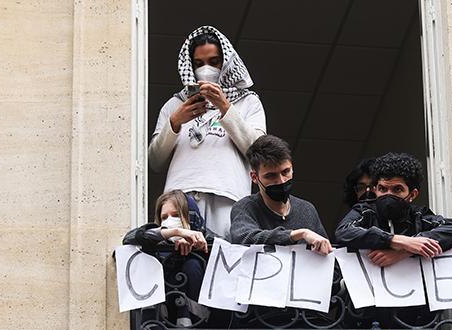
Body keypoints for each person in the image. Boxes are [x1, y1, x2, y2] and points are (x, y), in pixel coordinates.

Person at [148, 26, 266, 238]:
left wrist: (225, 107)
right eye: (199, 64)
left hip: (228, 195)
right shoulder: (175, 104)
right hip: (180, 200)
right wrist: (175, 121)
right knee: (183, 262)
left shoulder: (248, 102)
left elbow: (260, 153)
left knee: (222, 262)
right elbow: (155, 160)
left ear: (226, 62)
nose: (206, 69)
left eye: (214, 62)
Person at [335, 152, 452, 267]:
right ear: (375, 189)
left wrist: (405, 252)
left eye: (397, 189)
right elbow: (344, 232)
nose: (388, 194)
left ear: (412, 194)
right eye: (383, 189)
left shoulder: (418, 216)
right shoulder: (365, 211)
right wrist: (396, 241)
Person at [229, 135, 332, 255]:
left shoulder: (307, 210)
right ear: (254, 177)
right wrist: (299, 234)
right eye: (271, 176)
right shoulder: (244, 208)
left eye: (286, 172)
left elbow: (328, 256)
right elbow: (244, 239)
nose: (281, 181)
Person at [123, 190, 211, 304]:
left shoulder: (210, 239)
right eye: (164, 217)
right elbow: (128, 238)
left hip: (203, 318)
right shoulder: (159, 245)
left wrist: (195, 245)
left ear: (190, 215)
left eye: (176, 215)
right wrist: (176, 231)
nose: (169, 220)